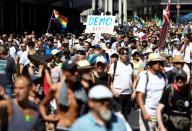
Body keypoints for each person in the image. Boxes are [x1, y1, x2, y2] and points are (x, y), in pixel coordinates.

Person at [39, 60, 87, 131]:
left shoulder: (82, 88)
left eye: (76, 70)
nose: (76, 73)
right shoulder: (56, 88)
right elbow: (42, 105)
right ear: (64, 72)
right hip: (62, 128)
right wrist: (45, 117)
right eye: (72, 71)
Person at [136, 53, 166, 131]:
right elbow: (139, 95)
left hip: (160, 114)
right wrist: (144, 112)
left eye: (159, 62)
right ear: (150, 63)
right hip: (148, 113)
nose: (158, 64)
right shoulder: (145, 76)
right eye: (155, 62)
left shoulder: (163, 76)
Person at [109, 48, 135, 120]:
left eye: (127, 53)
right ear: (119, 54)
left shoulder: (131, 65)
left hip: (128, 95)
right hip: (118, 95)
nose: (125, 55)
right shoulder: (114, 65)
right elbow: (110, 81)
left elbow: (133, 80)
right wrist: (113, 91)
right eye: (123, 53)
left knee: (126, 116)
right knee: (118, 116)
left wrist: (134, 91)